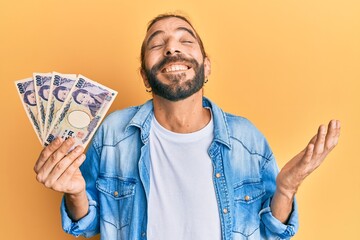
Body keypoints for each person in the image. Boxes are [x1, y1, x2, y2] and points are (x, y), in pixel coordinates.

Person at [33, 13, 341, 240]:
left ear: (206, 66)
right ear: (144, 76)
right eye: (158, 43)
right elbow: (87, 225)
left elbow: (272, 232)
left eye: (185, 40)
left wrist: (286, 189)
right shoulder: (114, 133)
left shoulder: (246, 138)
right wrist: (74, 194)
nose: (171, 49)